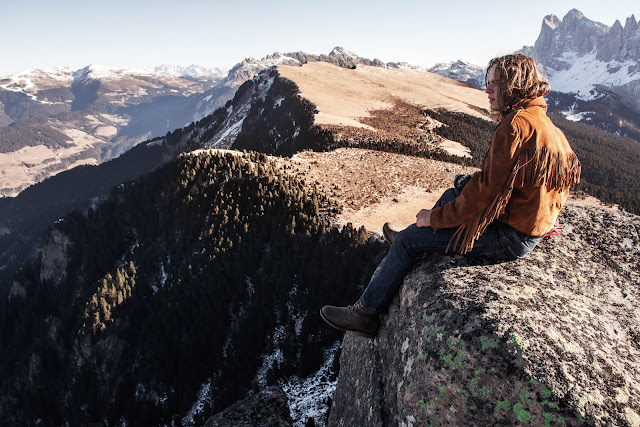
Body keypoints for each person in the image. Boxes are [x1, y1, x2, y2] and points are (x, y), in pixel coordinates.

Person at [320, 54, 581, 338]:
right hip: (526, 229)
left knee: (409, 243)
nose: (488, 90)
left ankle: (366, 314)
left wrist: (435, 217)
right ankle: (416, 236)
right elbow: (554, 182)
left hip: (510, 236)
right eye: (488, 83)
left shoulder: (515, 125)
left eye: (495, 84)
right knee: (452, 190)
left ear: (514, 86)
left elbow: (483, 196)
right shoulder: (547, 126)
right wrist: (542, 218)